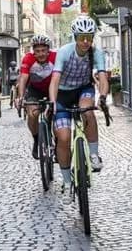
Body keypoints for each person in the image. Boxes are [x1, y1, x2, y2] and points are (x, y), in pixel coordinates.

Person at [47, 15, 109, 200]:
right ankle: (66, 181)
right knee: (64, 137)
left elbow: (103, 78)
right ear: (74, 36)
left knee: (88, 111)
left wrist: (103, 96)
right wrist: (52, 101)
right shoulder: (64, 52)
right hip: (62, 95)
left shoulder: (96, 53)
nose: (85, 41)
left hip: (83, 90)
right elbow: (55, 80)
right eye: (81, 37)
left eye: (89, 37)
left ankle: (94, 155)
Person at [14, 34, 57, 159]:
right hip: (35, 90)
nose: (41, 54)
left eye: (44, 50)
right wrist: (21, 97)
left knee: (56, 116)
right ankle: (37, 139)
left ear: (48, 50)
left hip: (52, 90)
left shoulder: (55, 57)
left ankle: (58, 143)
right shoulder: (28, 59)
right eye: (37, 51)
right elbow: (23, 78)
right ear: (33, 51)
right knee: (32, 114)